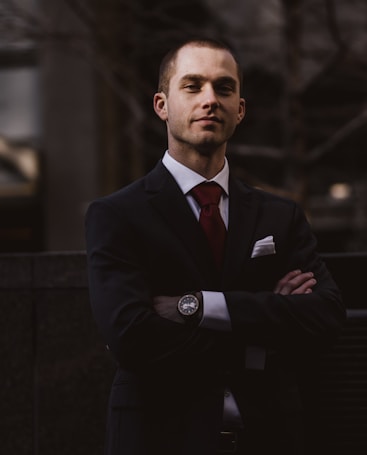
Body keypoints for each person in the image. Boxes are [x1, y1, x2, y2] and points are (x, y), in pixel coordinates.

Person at [85, 37, 345, 455]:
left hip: (271, 437)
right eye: (192, 86)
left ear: (240, 110)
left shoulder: (280, 216)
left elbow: (326, 316)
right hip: (160, 439)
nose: (210, 99)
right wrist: (263, 332)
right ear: (161, 105)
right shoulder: (116, 215)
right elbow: (131, 336)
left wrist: (198, 307)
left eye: (224, 88)